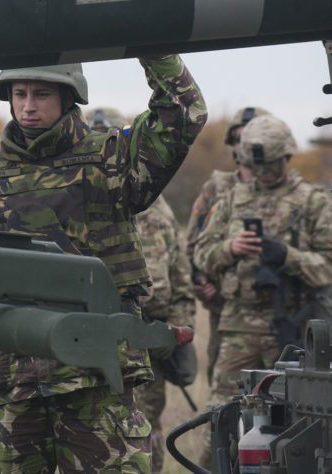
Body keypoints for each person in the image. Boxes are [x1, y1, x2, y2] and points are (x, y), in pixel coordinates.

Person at [0, 56, 206, 474]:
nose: (28, 106)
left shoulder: (111, 161)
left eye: (41, 94)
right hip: (15, 386)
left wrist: (153, 47)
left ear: (68, 96)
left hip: (98, 382)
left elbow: (183, 114)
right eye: (19, 94)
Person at [193, 115, 332, 451]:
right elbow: (202, 254)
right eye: (257, 166)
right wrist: (231, 248)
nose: (263, 173)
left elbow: (327, 267)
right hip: (238, 328)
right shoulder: (230, 201)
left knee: (297, 427)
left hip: (293, 330)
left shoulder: (313, 202)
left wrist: (287, 255)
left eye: (270, 164)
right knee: (219, 423)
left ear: (286, 157)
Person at [89, 109, 196, 474]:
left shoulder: (157, 209)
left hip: (145, 340)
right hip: (91, 338)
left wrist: (178, 334)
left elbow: (181, 280)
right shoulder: (81, 205)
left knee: (142, 428)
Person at [183, 106, 265, 381]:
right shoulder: (218, 187)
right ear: (232, 143)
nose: (246, 145)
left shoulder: (286, 191)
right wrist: (199, 281)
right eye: (240, 138)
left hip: (276, 309)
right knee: (224, 386)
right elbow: (193, 243)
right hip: (225, 305)